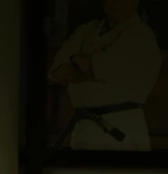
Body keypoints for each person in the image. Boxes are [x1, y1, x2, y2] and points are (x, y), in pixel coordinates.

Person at [48, 0, 162, 150]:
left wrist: (81, 64)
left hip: (121, 126)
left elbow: (95, 69)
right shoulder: (87, 30)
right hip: (83, 127)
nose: (116, 3)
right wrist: (86, 68)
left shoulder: (141, 35)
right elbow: (56, 71)